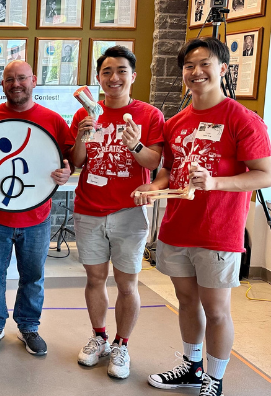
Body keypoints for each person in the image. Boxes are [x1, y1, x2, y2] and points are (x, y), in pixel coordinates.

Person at [138, 38, 271, 396]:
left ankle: (215, 377)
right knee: (186, 301)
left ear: (223, 69)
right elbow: (169, 170)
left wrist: (216, 182)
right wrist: (154, 186)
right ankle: (192, 366)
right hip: (177, 227)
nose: (196, 72)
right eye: (189, 66)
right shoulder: (177, 121)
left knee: (216, 310)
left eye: (205, 64)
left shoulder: (242, 119)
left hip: (218, 230)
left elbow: (265, 173)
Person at [0, 60, 73, 355]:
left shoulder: (52, 119)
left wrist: (67, 172)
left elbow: (70, 158)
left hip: (37, 216)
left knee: (33, 275)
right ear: (3, 85)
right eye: (9, 79)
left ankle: (29, 326)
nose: (16, 84)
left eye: (22, 78)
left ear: (34, 80)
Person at [69, 46, 165, 379]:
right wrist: (82, 135)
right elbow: (78, 162)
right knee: (95, 279)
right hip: (88, 209)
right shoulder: (87, 115)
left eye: (122, 71)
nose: (114, 78)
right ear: (98, 78)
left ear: (133, 76)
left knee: (127, 283)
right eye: (107, 71)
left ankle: (122, 345)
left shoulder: (149, 115)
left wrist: (135, 145)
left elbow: (155, 163)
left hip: (129, 211)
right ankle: (99, 337)